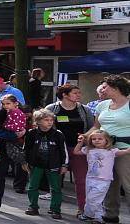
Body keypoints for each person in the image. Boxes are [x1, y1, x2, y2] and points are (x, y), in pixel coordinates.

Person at [46, 83, 94, 219]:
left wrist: (85, 136)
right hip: (58, 149)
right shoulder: (51, 108)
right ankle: (55, 208)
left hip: (78, 149)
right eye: (75, 93)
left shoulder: (85, 110)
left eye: (79, 93)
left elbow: (92, 127)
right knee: (56, 179)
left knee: (81, 180)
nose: (79, 95)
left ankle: (82, 209)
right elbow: (42, 125)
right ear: (64, 95)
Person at [86, 75, 130, 222]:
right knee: (108, 184)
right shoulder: (102, 105)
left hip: (126, 150)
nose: (102, 90)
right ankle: (110, 215)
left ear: (116, 88)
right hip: (104, 151)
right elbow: (96, 127)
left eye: (105, 87)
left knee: (128, 185)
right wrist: (85, 136)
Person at [76, 130, 130, 224]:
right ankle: (98, 218)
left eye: (100, 139)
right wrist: (80, 143)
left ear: (107, 140)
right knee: (91, 199)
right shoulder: (89, 150)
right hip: (90, 178)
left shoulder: (111, 151)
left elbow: (126, 151)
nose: (97, 140)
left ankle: (88, 215)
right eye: (94, 139)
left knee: (93, 199)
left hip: (103, 180)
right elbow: (76, 152)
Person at [23, 108, 68, 219]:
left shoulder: (58, 134)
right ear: (38, 121)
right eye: (46, 120)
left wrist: (64, 165)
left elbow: (64, 150)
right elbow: (26, 149)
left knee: (55, 188)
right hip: (36, 164)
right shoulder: (31, 133)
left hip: (54, 164)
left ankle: (55, 209)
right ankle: (33, 206)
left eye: (51, 120)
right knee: (32, 186)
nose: (49, 122)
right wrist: (24, 161)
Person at [0, 94, 26, 167]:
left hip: (13, 133)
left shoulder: (17, 112)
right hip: (10, 131)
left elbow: (17, 127)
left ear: (15, 103)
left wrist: (5, 126)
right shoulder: (10, 111)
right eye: (3, 104)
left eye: (8, 103)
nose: (5, 106)